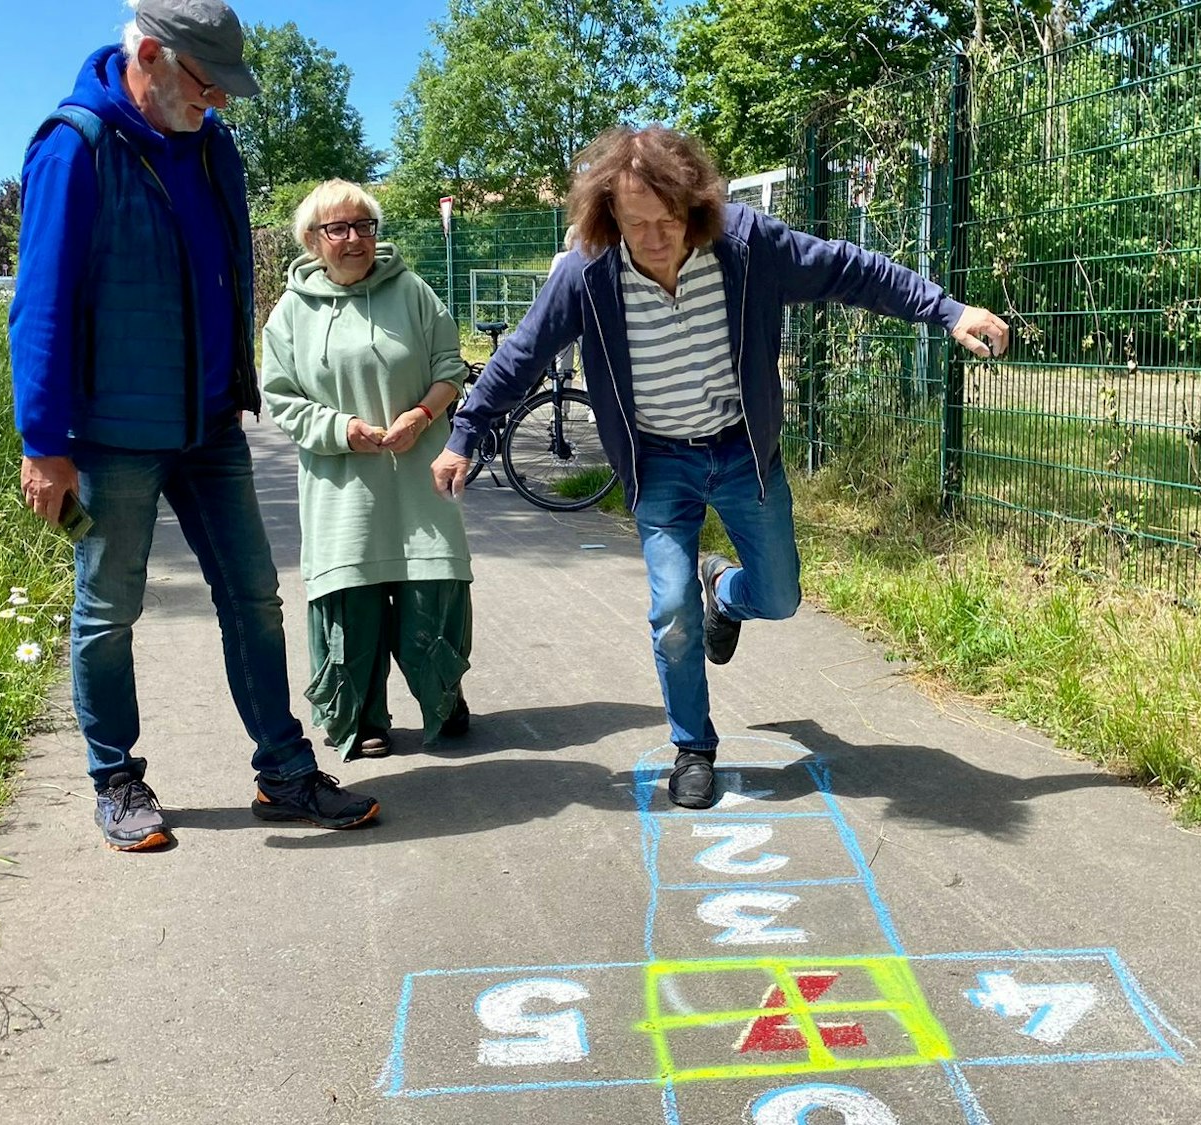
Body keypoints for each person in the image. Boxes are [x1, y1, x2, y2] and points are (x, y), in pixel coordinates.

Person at [432, 125, 1010, 810]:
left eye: (667, 220)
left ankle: (725, 591)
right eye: (633, 223)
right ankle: (693, 746)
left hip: (742, 452)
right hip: (659, 462)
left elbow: (849, 269)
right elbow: (521, 355)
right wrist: (465, 432)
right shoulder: (586, 274)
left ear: (695, 207)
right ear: (608, 216)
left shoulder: (746, 245)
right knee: (669, 610)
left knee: (781, 597)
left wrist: (946, 309)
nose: (652, 239)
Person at [10, 0, 378, 851]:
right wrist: (44, 442)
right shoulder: (76, 146)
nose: (215, 104)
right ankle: (118, 778)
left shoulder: (214, 147)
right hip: (112, 434)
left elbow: (226, 276)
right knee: (109, 610)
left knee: (254, 596)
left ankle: (283, 771)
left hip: (210, 426)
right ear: (148, 55)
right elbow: (40, 308)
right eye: (206, 84)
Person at [261, 180, 474, 760]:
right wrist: (341, 429)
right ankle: (363, 716)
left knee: (430, 592)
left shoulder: (413, 292)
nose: (355, 239)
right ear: (312, 240)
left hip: (418, 476)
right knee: (350, 602)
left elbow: (450, 367)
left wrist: (424, 412)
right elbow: (278, 397)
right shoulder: (289, 315)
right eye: (339, 229)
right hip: (340, 483)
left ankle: (441, 696)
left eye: (364, 226)